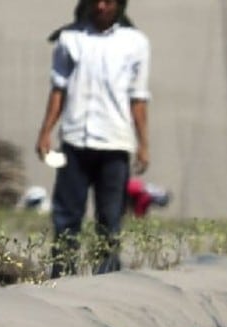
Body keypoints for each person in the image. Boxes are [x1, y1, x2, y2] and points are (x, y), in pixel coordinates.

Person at [35, 0, 150, 278]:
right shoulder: (69, 39)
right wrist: (45, 131)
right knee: (66, 217)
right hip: (75, 140)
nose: (101, 7)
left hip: (115, 142)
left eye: (109, 1)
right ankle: (62, 276)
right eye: (96, 1)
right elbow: (58, 90)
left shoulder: (135, 43)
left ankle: (107, 278)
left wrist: (143, 144)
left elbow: (138, 97)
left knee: (110, 218)